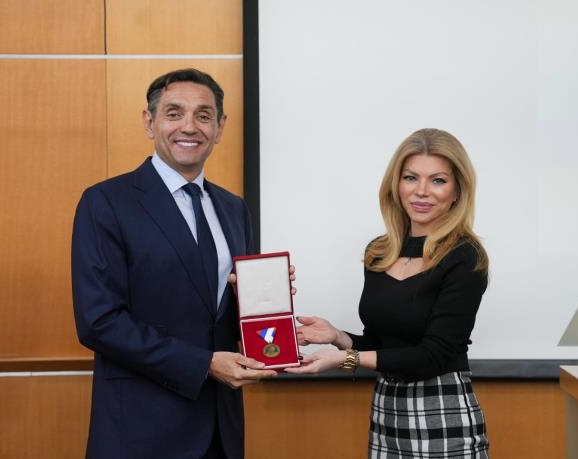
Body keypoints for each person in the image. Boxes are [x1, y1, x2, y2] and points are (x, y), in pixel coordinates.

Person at [71, 68, 278, 459]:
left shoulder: (234, 208)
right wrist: (203, 364)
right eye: (174, 113)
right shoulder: (107, 202)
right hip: (142, 429)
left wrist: (267, 301)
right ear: (149, 122)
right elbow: (99, 321)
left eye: (204, 115)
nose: (189, 126)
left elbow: (218, 313)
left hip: (221, 429)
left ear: (219, 127)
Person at [286, 128, 490, 458]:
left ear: (457, 191)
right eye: (411, 178)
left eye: (438, 180)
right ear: (396, 185)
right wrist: (338, 337)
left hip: (441, 412)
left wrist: (346, 359)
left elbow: (432, 356)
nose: (421, 191)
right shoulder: (379, 253)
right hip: (387, 414)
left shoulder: (465, 257)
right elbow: (384, 344)